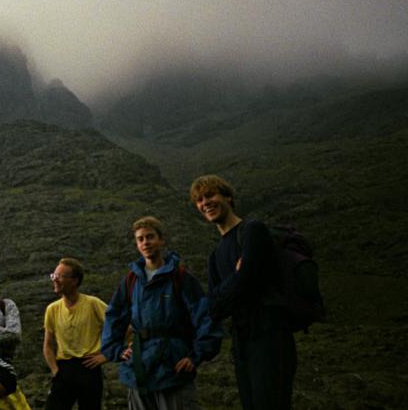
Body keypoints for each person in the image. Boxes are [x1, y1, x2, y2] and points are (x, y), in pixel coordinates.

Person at [190, 174, 296, 410]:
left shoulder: (253, 230)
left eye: (210, 195)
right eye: (199, 200)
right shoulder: (216, 255)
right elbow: (214, 308)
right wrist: (237, 277)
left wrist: (235, 283)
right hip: (242, 340)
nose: (204, 202)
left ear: (228, 196)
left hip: (270, 333)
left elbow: (247, 283)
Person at [101, 216, 222, 410]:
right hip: (139, 369)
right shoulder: (131, 281)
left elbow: (205, 316)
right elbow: (114, 316)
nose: (145, 242)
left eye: (150, 237)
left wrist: (196, 356)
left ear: (161, 240)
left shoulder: (180, 278)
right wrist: (115, 350)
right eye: (140, 239)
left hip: (173, 368)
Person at [43, 257, 108, 410]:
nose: (55, 280)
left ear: (74, 280)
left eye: (60, 276)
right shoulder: (52, 309)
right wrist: (55, 371)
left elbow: (123, 328)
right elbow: (48, 345)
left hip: (89, 367)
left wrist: (106, 355)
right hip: (63, 369)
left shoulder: (93, 303)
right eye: (54, 275)